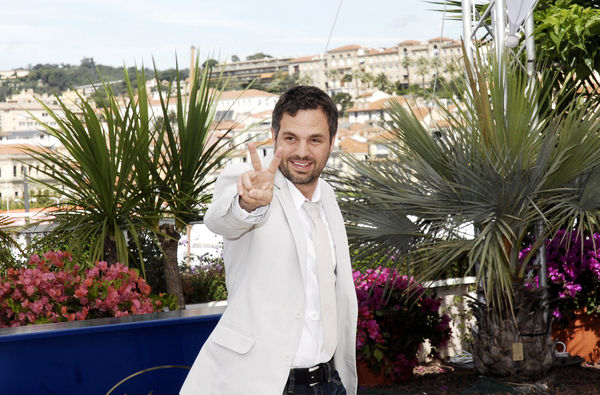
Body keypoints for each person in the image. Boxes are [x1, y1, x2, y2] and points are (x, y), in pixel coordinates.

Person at [180, 85, 358, 395]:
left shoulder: (328, 196)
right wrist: (248, 204)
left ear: (331, 143)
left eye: (315, 140)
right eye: (291, 138)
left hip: (328, 383)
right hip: (262, 384)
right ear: (274, 136)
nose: (302, 151)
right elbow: (221, 219)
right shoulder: (250, 182)